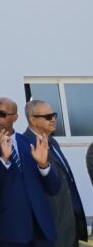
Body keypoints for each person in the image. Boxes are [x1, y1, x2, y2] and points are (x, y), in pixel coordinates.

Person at [0, 97, 59, 246]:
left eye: (2, 114)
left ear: (15, 117)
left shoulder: (31, 143)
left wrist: (43, 165)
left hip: (41, 229)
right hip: (9, 232)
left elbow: (54, 188)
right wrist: (3, 160)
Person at [23, 100, 88, 247]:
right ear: (33, 119)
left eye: (54, 115)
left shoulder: (52, 141)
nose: (53, 119)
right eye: (48, 116)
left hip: (70, 219)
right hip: (51, 226)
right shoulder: (25, 145)